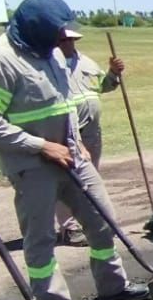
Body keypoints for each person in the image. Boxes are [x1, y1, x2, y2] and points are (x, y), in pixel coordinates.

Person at [0, 0, 148, 300]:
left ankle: (114, 287)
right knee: (41, 240)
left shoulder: (52, 53)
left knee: (103, 221)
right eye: (57, 34)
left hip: (74, 156)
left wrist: (76, 140)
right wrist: (40, 146)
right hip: (33, 165)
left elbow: (65, 102)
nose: (62, 40)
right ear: (34, 29)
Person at [53, 27, 123, 245]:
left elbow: (104, 87)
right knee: (68, 181)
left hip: (91, 132)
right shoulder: (49, 66)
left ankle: (87, 220)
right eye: (62, 40)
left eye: (70, 40)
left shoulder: (87, 63)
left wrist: (113, 73)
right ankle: (70, 228)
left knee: (88, 179)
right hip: (67, 133)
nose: (67, 44)